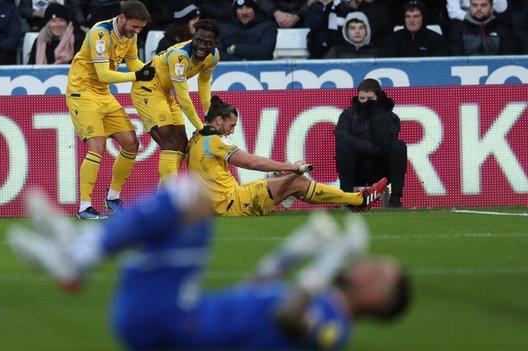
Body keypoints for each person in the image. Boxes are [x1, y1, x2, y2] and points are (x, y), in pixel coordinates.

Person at [8, 177, 410, 350]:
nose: (365, 265)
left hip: (169, 324)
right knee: (186, 202)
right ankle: (80, 247)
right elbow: (257, 288)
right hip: (169, 314)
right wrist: (294, 251)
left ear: (376, 298)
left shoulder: (333, 330)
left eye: (376, 271)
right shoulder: (315, 304)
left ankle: (79, 253)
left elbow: (290, 316)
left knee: (190, 195)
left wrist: (329, 261)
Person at [187, 96, 388, 216]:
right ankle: (358, 200)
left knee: (283, 178)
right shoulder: (215, 141)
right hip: (232, 204)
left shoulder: (197, 138)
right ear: (220, 120)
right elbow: (252, 162)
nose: (231, 131)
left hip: (219, 205)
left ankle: (351, 202)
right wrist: (291, 167)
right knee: (297, 181)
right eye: (231, 125)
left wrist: (282, 168)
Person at [66, 0, 156, 219]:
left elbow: (134, 63)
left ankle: (113, 198)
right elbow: (104, 75)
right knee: (97, 145)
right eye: (135, 26)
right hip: (82, 92)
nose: (137, 31)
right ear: (122, 18)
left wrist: (154, 72)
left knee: (131, 143)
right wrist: (137, 76)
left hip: (103, 95)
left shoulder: (130, 35)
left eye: (141, 28)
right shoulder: (100, 34)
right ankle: (84, 207)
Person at [131, 19, 221, 183]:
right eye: (198, 40)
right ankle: (167, 197)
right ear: (194, 36)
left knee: (181, 143)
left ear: (214, 44)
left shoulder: (213, 56)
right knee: (170, 141)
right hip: (146, 89)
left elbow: (204, 82)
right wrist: (201, 127)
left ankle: (164, 192)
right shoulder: (180, 57)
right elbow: (184, 99)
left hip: (164, 92)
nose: (201, 46)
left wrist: (208, 112)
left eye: (207, 43)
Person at [334, 79, 407, 208]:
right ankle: (346, 198)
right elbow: (341, 136)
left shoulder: (390, 117)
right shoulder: (347, 115)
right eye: (362, 98)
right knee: (344, 145)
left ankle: (395, 199)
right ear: (357, 97)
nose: (366, 102)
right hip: (356, 169)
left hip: (381, 170)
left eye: (370, 98)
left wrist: (376, 113)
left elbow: (386, 141)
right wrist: (369, 147)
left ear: (378, 97)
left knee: (399, 146)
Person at [447, 0, 517, 55]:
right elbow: (456, 60)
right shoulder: (458, 31)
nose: (478, 9)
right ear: (469, 8)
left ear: (492, 8)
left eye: (483, 5)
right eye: (474, 5)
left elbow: (508, 58)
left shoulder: (502, 31)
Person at [382, 0, 447, 57]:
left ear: (423, 18)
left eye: (416, 16)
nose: (411, 20)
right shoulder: (393, 39)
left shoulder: (436, 40)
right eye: (408, 16)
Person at [19, 0, 86, 32]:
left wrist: (81, 24)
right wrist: (34, 13)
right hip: (38, 27)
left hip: (63, 28)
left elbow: (75, 9)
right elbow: (23, 10)